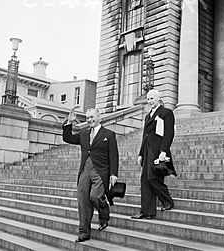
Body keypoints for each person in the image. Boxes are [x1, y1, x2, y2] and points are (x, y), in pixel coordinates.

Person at [62, 108, 119, 242]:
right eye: (87, 118)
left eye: (92, 117)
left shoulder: (109, 134)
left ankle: (104, 215)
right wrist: (68, 123)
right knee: (83, 200)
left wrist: (114, 174)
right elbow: (68, 138)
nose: (89, 120)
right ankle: (84, 233)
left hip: (100, 171)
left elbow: (114, 155)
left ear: (99, 117)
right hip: (85, 170)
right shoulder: (83, 134)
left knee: (95, 197)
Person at [131, 89, 177, 219]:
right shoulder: (147, 116)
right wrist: (140, 154)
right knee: (144, 180)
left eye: (152, 98)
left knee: (152, 177)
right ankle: (147, 211)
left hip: (158, 150)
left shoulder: (166, 112)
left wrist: (163, 151)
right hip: (147, 149)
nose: (150, 101)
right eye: (148, 99)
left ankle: (167, 200)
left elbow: (169, 134)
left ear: (158, 98)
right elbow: (145, 136)